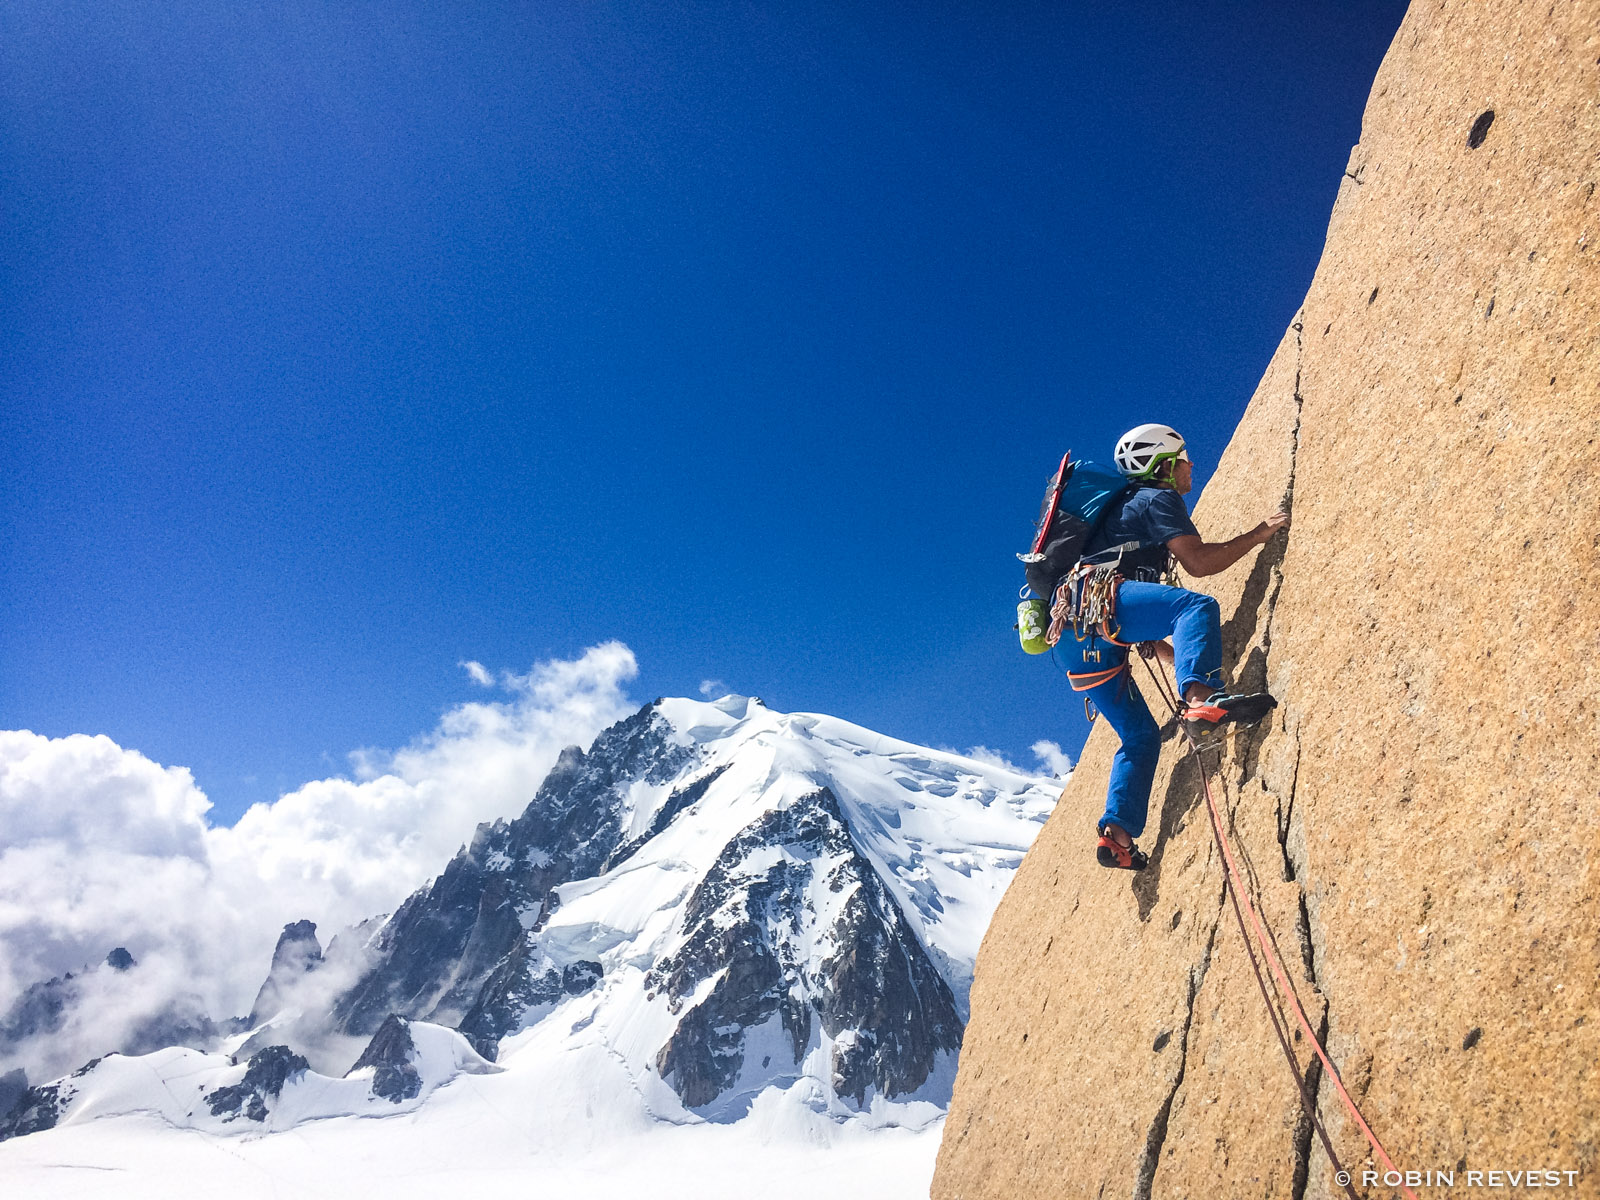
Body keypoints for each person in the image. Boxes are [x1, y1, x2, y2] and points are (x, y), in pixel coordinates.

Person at [1063, 423, 1289, 871]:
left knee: (1140, 736)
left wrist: (1172, 656)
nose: (1192, 466)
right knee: (1195, 606)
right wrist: (1259, 533)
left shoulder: (1122, 513)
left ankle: (1118, 835)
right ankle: (1203, 700)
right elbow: (1199, 563)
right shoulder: (1155, 498)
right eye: (1184, 458)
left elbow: (1155, 637)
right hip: (1102, 604)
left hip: (1076, 640)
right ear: (1163, 466)